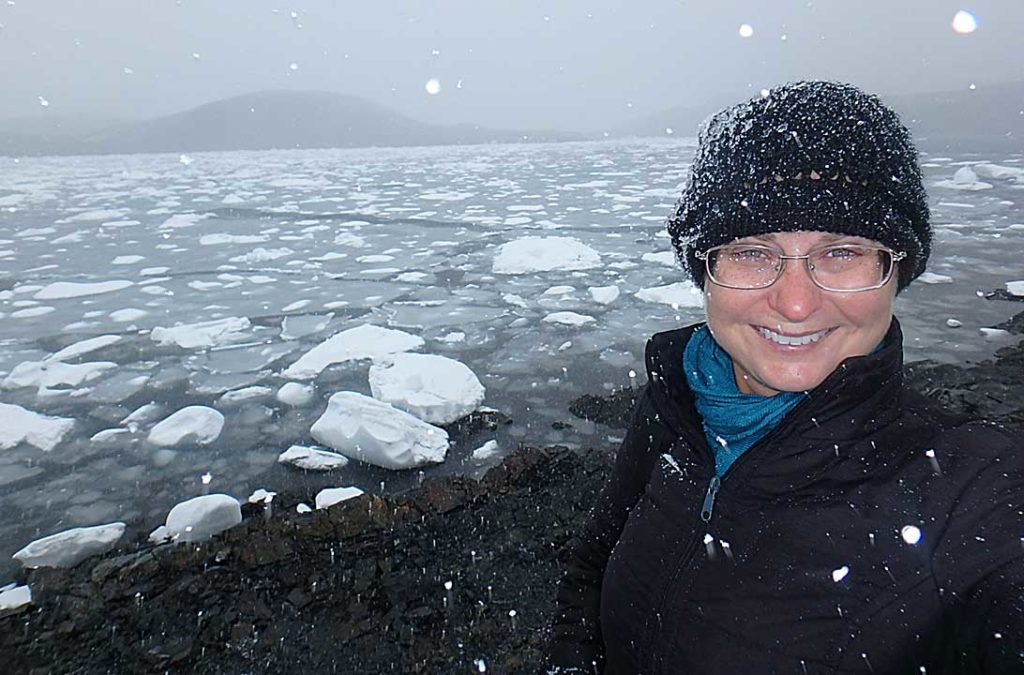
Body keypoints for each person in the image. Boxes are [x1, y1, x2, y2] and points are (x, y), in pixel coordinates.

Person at [544, 81, 1024, 674]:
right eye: (751, 252)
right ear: (706, 272)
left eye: (842, 252)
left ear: (896, 271)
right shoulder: (677, 406)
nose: (795, 304)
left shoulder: (983, 499)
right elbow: (592, 568)